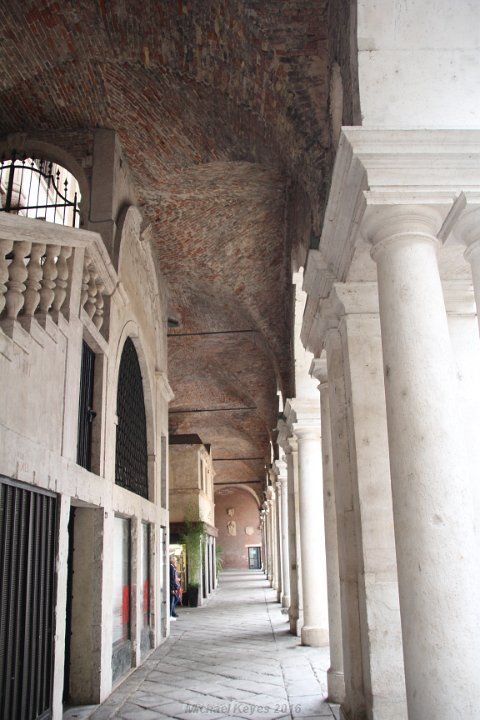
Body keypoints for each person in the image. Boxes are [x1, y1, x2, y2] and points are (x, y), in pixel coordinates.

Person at [169, 555, 180, 620]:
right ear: (172, 560)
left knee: (175, 599)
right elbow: (171, 579)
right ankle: (170, 614)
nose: (176, 561)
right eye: (175, 560)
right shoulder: (171, 568)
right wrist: (173, 588)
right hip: (172, 587)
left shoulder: (173, 567)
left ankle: (172, 613)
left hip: (174, 586)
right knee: (172, 600)